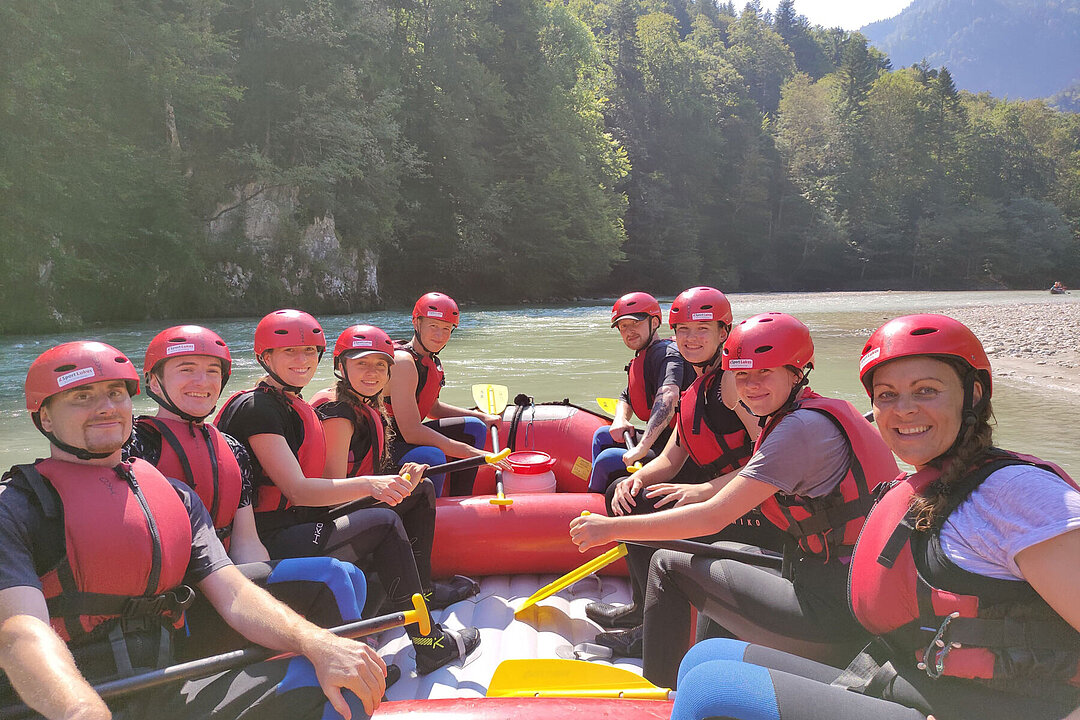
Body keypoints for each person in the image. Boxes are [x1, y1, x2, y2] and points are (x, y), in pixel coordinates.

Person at [668, 314, 1080, 720]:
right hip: (918, 678)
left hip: (993, 705)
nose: (903, 410)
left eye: (925, 391)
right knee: (706, 658)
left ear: (973, 395)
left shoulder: (1021, 494)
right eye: (886, 396)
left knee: (714, 688)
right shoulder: (935, 480)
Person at [0, 341, 387, 720]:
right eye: (82, 396)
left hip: (170, 681)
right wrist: (80, 710)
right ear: (45, 418)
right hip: (77, 695)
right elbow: (21, 632)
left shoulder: (176, 496)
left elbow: (234, 593)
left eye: (115, 394)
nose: (105, 408)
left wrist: (316, 642)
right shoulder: (17, 506)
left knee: (339, 683)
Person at [571, 312, 900, 687]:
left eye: (765, 372)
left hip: (836, 604)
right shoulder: (805, 413)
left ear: (797, 373)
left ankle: (663, 692)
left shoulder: (798, 430)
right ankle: (711, 683)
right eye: (742, 374)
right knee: (720, 554)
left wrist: (609, 528)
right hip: (836, 579)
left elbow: (712, 518)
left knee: (667, 565)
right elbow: (675, 462)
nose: (751, 385)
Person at [215, 309, 480, 675]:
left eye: (309, 352)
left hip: (295, 523)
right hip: (269, 537)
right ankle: (429, 642)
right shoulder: (259, 409)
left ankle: (418, 598)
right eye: (289, 351)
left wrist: (392, 480)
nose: (302, 360)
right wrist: (374, 485)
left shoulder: (286, 403)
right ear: (266, 357)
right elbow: (298, 489)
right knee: (385, 521)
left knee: (418, 492)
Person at [128, 324, 379, 662]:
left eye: (212, 371)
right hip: (177, 598)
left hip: (227, 581)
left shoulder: (231, 448)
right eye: (187, 370)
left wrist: (269, 600)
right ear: (154, 381)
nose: (202, 381)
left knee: (348, 574)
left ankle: (348, 660)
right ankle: (352, 666)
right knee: (332, 574)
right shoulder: (135, 446)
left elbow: (247, 543)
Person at [582, 288, 788, 657]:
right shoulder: (695, 386)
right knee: (626, 492)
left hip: (758, 511)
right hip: (726, 497)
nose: (692, 339)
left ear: (724, 333)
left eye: (703, 329)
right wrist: (638, 477)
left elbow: (773, 461)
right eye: (684, 330)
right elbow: (674, 458)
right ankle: (641, 607)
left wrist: (704, 490)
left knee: (643, 507)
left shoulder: (732, 383)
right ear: (673, 333)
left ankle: (649, 633)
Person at [310, 323, 479, 610]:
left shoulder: (363, 403)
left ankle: (415, 587)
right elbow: (331, 493)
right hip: (327, 521)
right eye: (361, 364)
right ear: (341, 367)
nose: (372, 372)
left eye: (380, 365)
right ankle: (418, 593)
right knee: (420, 492)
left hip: (347, 503)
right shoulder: (337, 412)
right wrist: (381, 488)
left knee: (421, 487)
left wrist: (396, 482)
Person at [385, 292, 497, 497]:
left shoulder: (431, 362)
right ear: (416, 323)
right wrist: (473, 453)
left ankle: (460, 498)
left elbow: (433, 409)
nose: (440, 335)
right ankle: (433, 510)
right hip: (384, 445)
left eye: (446, 328)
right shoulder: (403, 362)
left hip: (404, 438)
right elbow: (411, 432)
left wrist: (482, 416)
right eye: (433, 326)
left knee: (475, 428)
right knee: (432, 455)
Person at [588, 292, 693, 493]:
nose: (629, 331)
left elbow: (668, 398)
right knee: (602, 435)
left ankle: (596, 506)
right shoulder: (644, 357)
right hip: (661, 439)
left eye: (635, 323)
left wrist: (643, 446)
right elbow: (626, 396)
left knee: (606, 460)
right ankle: (600, 489)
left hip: (681, 451)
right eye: (623, 326)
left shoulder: (668, 355)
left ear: (654, 322)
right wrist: (621, 419)